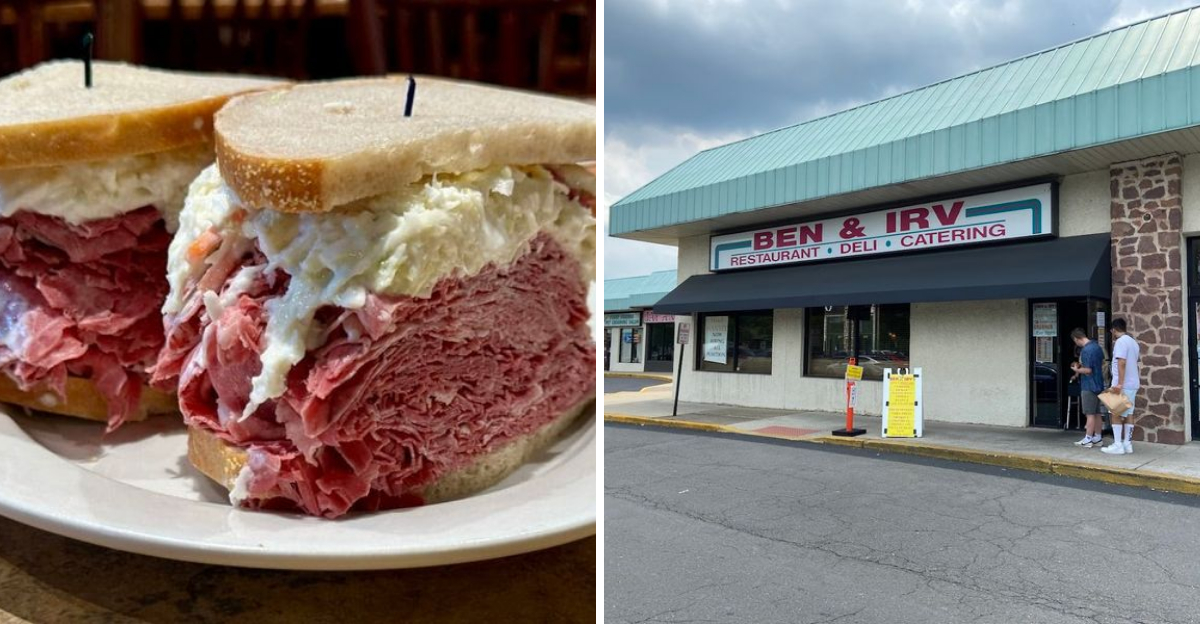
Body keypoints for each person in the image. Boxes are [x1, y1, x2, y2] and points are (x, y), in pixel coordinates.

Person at [1102, 318, 1140, 455]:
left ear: (1114, 329)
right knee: (1129, 413)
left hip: (1122, 384)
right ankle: (1127, 444)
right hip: (1133, 383)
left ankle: (1118, 444)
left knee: (1115, 413)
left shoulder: (1120, 342)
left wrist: (1119, 383)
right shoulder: (1133, 343)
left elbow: (1121, 363)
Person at [1069, 328, 1105, 447]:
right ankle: (1098, 437)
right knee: (1097, 412)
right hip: (1099, 383)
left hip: (1089, 384)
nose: (1076, 344)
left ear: (1077, 339)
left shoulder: (1086, 350)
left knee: (1089, 413)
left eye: (1075, 341)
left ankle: (1088, 438)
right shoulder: (1097, 347)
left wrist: (1077, 369)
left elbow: (1088, 370)